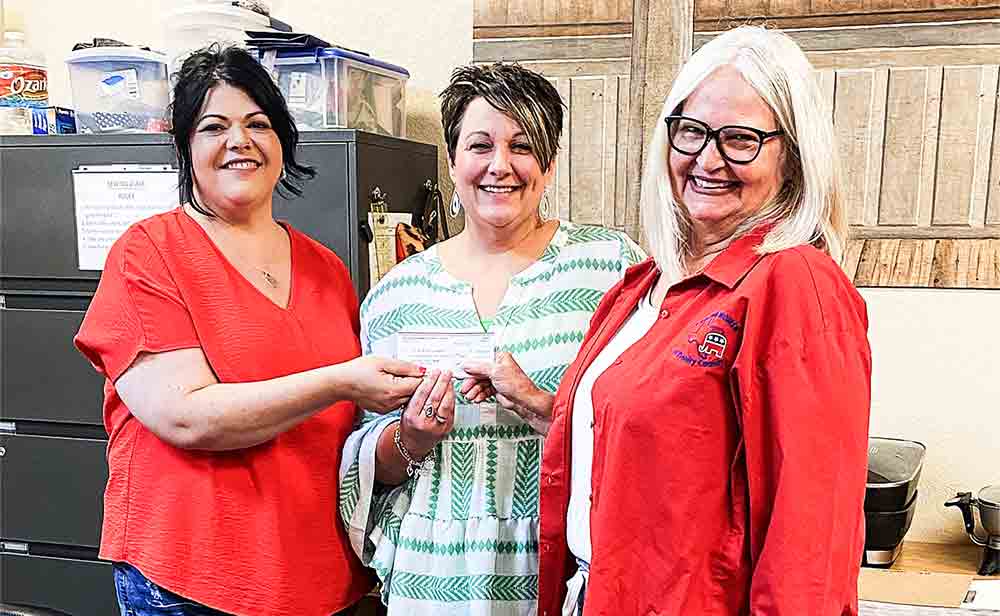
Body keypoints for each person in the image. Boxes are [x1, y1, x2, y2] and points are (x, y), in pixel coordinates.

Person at [74, 45, 440, 616]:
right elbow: (186, 416)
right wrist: (340, 381)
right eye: (214, 126)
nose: (239, 141)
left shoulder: (326, 268)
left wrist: (413, 424)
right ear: (185, 148)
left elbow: (352, 433)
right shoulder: (148, 254)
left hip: (317, 578)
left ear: (283, 143)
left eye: (258, 124)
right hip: (191, 581)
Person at [536, 25, 872, 616]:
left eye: (740, 139)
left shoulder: (795, 284)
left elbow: (810, 543)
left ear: (791, 159)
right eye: (691, 131)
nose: (707, 159)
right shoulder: (639, 286)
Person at [338, 62, 645, 615]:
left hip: (560, 566)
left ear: (549, 164)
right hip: (431, 577)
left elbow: (646, 433)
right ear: (453, 161)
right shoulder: (396, 293)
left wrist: (543, 407)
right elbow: (366, 464)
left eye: (522, 146)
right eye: (480, 145)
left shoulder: (611, 269)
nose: (499, 166)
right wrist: (411, 437)